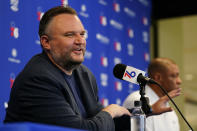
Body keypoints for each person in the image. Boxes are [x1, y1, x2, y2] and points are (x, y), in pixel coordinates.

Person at [4, 6, 181, 131]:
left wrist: (148, 111)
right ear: (46, 42)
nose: (80, 40)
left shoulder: (83, 74)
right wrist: (109, 112)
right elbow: (80, 129)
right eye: (69, 35)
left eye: (82, 34)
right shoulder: (38, 79)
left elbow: (106, 124)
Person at [123, 57, 182, 131]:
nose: (179, 81)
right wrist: (150, 110)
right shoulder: (137, 100)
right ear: (158, 77)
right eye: (173, 76)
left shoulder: (170, 110)